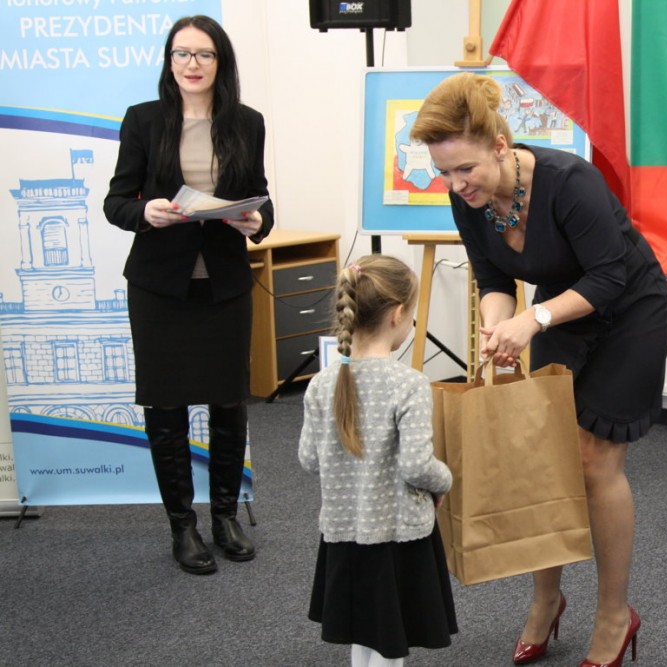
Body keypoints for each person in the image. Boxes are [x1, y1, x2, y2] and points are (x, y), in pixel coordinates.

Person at [410, 72, 667, 667]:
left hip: (631, 310)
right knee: (546, 455)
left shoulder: (569, 181)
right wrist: (495, 329)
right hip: (560, 312)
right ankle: (546, 600)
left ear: (500, 147)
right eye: (445, 173)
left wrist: (532, 321)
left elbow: (608, 276)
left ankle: (614, 615)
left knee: (594, 459)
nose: (456, 184)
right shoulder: (467, 199)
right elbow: (494, 279)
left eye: (465, 169)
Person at [104, 15, 274, 575]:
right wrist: (145, 212)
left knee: (228, 403)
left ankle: (224, 517)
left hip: (224, 284)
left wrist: (257, 221)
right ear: (169, 61)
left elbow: (261, 198)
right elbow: (115, 202)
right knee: (167, 408)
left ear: (220, 62)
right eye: (181, 54)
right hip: (161, 287)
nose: (192, 64)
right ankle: (183, 526)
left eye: (203, 54)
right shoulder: (144, 120)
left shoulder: (246, 123)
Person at [298, 255, 457, 667]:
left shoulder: (321, 383)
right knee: (390, 639)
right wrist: (445, 480)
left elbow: (309, 459)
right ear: (398, 314)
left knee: (364, 631)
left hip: (343, 534)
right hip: (398, 536)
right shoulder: (409, 384)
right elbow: (417, 465)